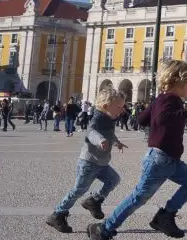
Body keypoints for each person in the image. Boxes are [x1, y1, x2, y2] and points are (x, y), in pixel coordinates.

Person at [87, 60, 187, 240]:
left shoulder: (162, 99)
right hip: (159, 160)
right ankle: (105, 228)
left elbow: (141, 119)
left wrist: (156, 117)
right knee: (138, 197)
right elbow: (164, 119)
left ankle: (165, 216)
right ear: (179, 82)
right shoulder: (171, 100)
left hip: (169, 159)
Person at [46, 87, 128, 233]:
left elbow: (110, 134)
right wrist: (100, 140)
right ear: (105, 106)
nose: (122, 110)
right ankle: (57, 214)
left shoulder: (109, 119)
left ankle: (93, 201)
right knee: (79, 190)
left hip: (102, 163)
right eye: (119, 107)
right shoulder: (98, 118)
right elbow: (91, 132)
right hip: (89, 163)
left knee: (114, 179)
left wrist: (117, 142)